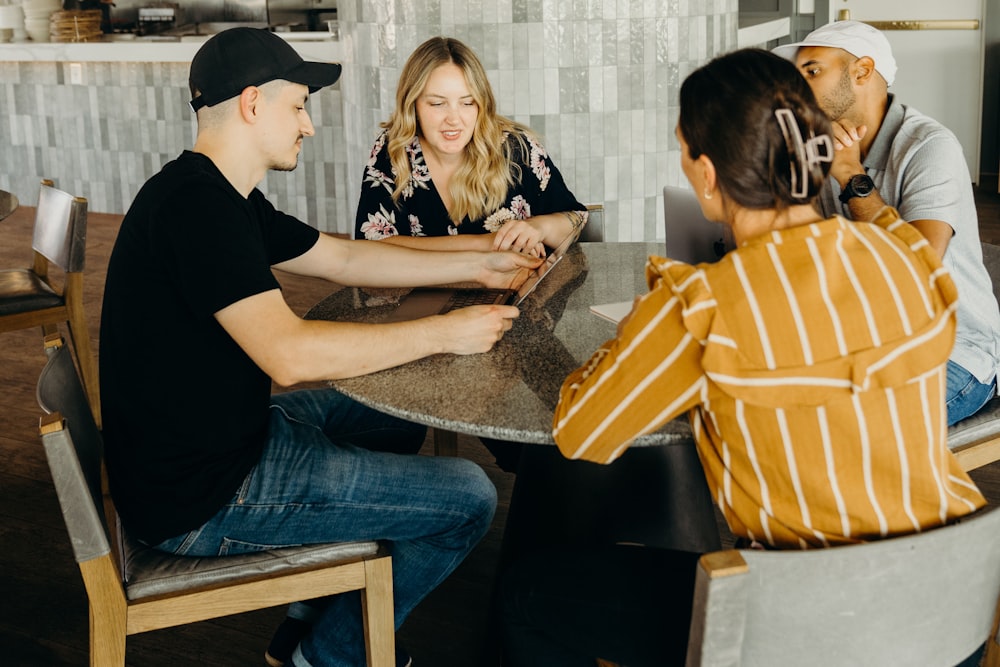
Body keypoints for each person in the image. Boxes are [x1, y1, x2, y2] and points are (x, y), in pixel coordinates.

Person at [500, 48, 987, 667]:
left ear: (706, 174)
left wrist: (652, 318)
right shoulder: (903, 259)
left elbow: (580, 432)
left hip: (808, 630)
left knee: (528, 590)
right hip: (952, 604)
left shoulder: (700, 305)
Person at [99, 28, 543, 667]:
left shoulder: (219, 195)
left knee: (394, 411)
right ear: (253, 104)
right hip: (206, 494)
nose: (307, 126)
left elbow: (347, 257)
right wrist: (448, 333)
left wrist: (482, 265)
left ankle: (311, 607)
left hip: (221, 440)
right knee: (470, 498)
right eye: (299, 105)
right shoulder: (198, 211)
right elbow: (291, 356)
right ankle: (331, 655)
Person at [354, 36, 589, 472]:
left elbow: (575, 216)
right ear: (413, 105)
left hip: (521, 316)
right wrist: (486, 244)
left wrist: (539, 225)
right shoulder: (393, 153)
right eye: (436, 103)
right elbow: (372, 248)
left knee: (559, 433)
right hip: (429, 315)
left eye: (467, 103)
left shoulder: (515, 147)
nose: (453, 120)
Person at [772, 20, 1000, 426]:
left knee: (841, 430)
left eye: (812, 71)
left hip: (949, 351)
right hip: (854, 344)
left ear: (861, 71)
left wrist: (849, 176)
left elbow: (918, 269)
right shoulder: (812, 145)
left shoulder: (930, 146)